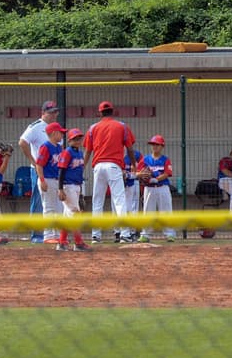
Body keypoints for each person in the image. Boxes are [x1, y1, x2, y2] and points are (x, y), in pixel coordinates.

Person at [83, 101, 136, 244]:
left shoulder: (93, 128)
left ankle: (96, 235)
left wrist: (82, 166)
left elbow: (88, 150)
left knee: (97, 201)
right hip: (114, 166)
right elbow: (130, 149)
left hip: (98, 166)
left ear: (100, 112)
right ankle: (125, 234)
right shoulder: (122, 126)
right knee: (119, 200)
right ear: (113, 111)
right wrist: (134, 165)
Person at [19, 101, 63, 243]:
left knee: (54, 204)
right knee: (39, 202)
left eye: (55, 112)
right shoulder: (36, 126)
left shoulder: (56, 128)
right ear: (43, 113)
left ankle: (52, 234)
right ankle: (37, 234)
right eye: (51, 112)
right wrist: (33, 160)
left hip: (53, 172)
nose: (54, 114)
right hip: (40, 170)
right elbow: (22, 142)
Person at [54, 128, 91, 251]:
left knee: (67, 216)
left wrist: (80, 190)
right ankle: (78, 242)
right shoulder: (67, 152)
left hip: (76, 186)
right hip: (67, 186)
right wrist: (60, 189)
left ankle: (62, 242)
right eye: (75, 138)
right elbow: (62, 171)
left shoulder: (80, 153)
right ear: (69, 140)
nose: (78, 140)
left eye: (79, 138)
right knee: (75, 214)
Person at [137, 135, 176, 242]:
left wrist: (156, 179)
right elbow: (139, 172)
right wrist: (144, 176)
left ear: (162, 146)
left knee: (166, 211)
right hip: (149, 188)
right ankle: (145, 234)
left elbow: (167, 173)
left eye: (157, 144)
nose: (154, 146)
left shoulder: (165, 160)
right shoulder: (145, 159)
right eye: (153, 144)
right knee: (148, 211)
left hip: (162, 187)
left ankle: (170, 234)